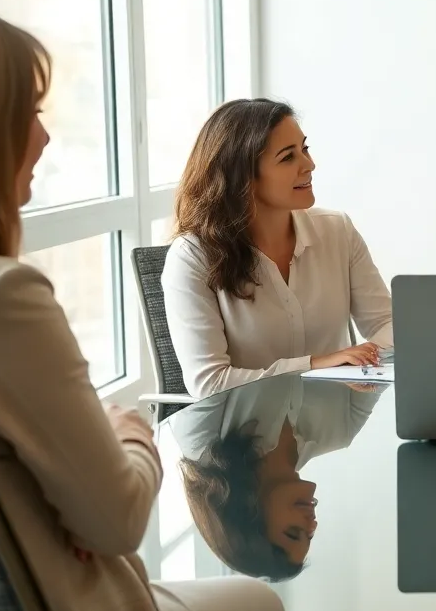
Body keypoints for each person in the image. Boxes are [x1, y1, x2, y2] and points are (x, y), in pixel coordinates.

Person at [0, 3, 289, 611]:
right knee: (261, 605)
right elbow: (118, 518)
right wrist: (127, 430)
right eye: (30, 112)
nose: (44, 138)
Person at [163, 98, 394, 398]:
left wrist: (362, 361)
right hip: (242, 436)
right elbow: (209, 383)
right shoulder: (191, 258)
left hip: (332, 428)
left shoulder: (337, 231)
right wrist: (315, 366)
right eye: (288, 157)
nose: (309, 165)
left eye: (305, 149)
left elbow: (388, 323)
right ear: (242, 176)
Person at [172, 378, 385, 580]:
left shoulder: (201, 443)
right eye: (309, 536)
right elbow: (385, 358)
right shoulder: (341, 428)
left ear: (250, 516)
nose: (312, 524)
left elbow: (206, 361)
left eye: (293, 532)